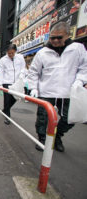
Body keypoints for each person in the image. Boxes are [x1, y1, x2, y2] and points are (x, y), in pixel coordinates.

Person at [28, 21, 87, 152]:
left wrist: (79, 81)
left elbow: (84, 68)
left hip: (69, 91)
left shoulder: (77, 49)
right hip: (47, 91)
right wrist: (33, 88)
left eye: (59, 37)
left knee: (70, 118)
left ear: (67, 35)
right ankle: (42, 138)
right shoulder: (43, 52)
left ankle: (57, 136)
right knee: (43, 118)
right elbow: (33, 72)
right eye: (52, 37)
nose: (55, 40)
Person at [0, 44, 26, 125]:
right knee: (7, 100)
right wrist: (0, 84)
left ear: (15, 51)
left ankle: (5, 109)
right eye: (9, 53)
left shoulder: (20, 57)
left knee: (15, 98)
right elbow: (1, 72)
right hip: (7, 82)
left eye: (12, 53)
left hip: (17, 82)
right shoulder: (3, 60)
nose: (10, 55)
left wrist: (22, 75)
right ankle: (7, 117)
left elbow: (23, 68)